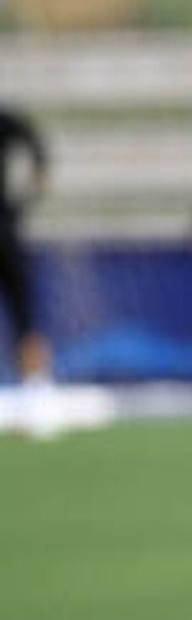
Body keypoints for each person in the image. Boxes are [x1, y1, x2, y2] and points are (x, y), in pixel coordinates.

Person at [0, 103, 56, 437]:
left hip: (5, 232)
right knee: (25, 316)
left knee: (25, 316)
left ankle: (36, 396)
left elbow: (33, 140)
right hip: (7, 230)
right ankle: (37, 397)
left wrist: (38, 179)